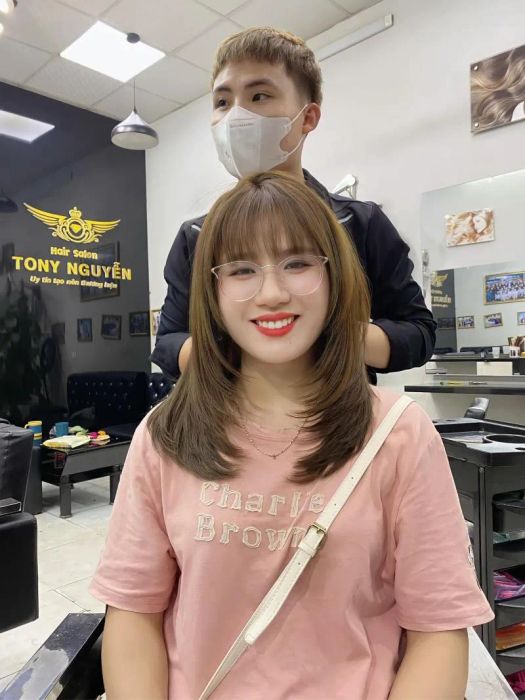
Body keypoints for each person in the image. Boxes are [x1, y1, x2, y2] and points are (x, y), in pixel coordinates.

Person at [90, 172, 493, 700]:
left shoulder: (400, 433)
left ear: (334, 276)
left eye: (298, 263)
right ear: (212, 291)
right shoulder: (165, 434)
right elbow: (133, 612)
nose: (272, 293)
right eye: (241, 269)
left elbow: (438, 628)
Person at [151, 27, 436, 383]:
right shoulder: (196, 236)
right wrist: (247, 338)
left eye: (258, 96)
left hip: (340, 411)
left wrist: (324, 332)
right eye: (222, 102)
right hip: (230, 414)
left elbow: (418, 333)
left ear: (308, 117)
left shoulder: (360, 223)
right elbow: (167, 345)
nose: (236, 116)